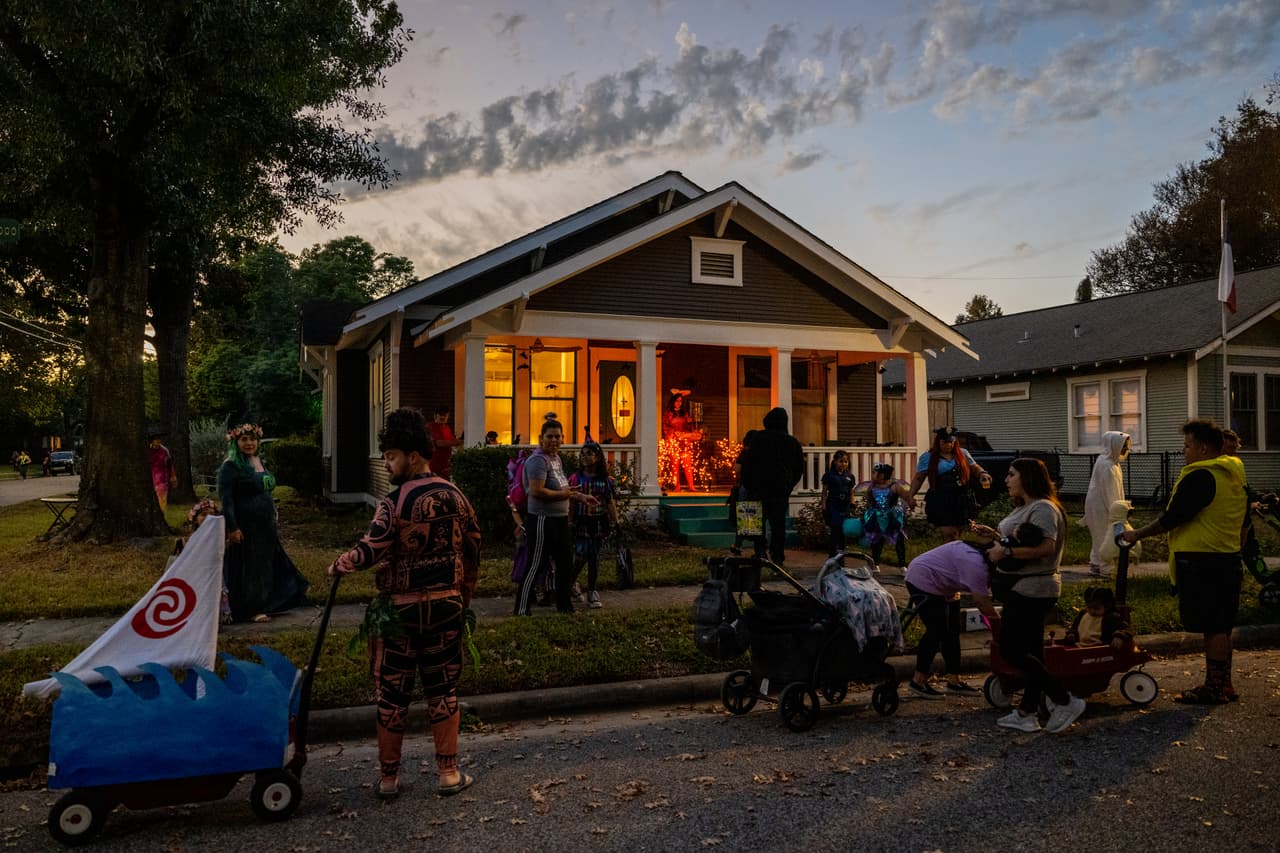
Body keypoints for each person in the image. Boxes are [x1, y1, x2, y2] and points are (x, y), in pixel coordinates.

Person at [329, 407, 481, 800]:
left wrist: (340, 565)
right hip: (447, 607)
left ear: (413, 456)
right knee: (443, 687)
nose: (387, 463)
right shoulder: (457, 496)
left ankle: (389, 778)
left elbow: (371, 549)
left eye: (392, 456)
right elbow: (475, 548)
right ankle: (448, 773)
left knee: (393, 693)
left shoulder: (393, 503)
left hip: (399, 613)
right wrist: (465, 594)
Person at [1121, 419, 1247, 704]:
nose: (1184, 451)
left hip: (1203, 561)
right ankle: (1221, 684)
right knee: (1221, 625)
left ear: (1202, 448)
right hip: (1226, 556)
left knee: (1213, 625)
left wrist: (1136, 534)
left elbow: (1173, 517)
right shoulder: (1232, 474)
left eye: (1187, 445)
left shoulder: (1201, 476)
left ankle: (1215, 688)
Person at [969, 457, 1083, 733]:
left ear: (1028, 477)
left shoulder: (1043, 508)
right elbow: (1023, 541)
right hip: (1021, 587)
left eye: (1011, 475)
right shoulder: (1029, 507)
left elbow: (1045, 548)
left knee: (1011, 649)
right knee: (1033, 653)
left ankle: (1064, 699)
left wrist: (1004, 552)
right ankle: (1027, 713)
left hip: (1032, 589)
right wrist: (997, 536)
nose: (1006, 480)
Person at [218, 422, 309, 623]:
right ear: (236, 442)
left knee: (266, 565)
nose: (249, 443)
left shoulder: (259, 461)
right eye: (244, 439)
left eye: (252, 439)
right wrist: (233, 527)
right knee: (249, 567)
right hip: (245, 526)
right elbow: (227, 501)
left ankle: (268, 602)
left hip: (265, 526)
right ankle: (251, 608)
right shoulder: (230, 466)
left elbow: (266, 491)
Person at [514, 418, 598, 615]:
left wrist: (579, 496)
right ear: (540, 438)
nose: (554, 440)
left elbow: (562, 488)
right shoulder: (537, 461)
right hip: (543, 520)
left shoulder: (556, 459)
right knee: (536, 564)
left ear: (563, 438)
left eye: (557, 436)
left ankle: (564, 607)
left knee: (564, 563)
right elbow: (537, 491)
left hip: (560, 520)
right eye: (549, 436)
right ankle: (521, 609)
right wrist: (567, 494)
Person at [902, 539, 1000, 698]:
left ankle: (954, 681)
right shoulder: (976, 564)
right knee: (937, 630)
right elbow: (982, 603)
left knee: (952, 632)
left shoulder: (981, 555)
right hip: (923, 577)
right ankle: (917, 682)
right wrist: (998, 626)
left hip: (946, 584)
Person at [738, 408, 804, 564]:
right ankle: (778, 555)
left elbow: (748, 462)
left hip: (759, 488)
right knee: (778, 524)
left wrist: (748, 484)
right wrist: (788, 486)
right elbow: (799, 468)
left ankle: (760, 551)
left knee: (757, 521)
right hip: (780, 490)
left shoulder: (758, 439)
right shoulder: (792, 442)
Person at [906, 427, 991, 541]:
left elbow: (974, 468)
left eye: (951, 442)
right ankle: (948, 554)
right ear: (938, 442)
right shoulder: (928, 457)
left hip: (961, 497)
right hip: (942, 498)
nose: (948, 445)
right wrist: (911, 496)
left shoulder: (963, 453)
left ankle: (954, 554)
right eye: (945, 442)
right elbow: (919, 478)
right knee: (948, 532)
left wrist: (982, 473)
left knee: (957, 531)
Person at [569, 441, 618, 609]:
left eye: (589, 454)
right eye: (582, 454)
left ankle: (592, 591)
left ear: (597, 457)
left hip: (598, 521)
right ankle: (570, 581)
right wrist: (569, 521)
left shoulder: (605, 480)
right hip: (581, 521)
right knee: (581, 555)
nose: (585, 457)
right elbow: (572, 502)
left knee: (594, 557)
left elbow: (609, 502)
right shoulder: (576, 478)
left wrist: (615, 522)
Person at [1084, 431, 1131, 577]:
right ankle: (1106, 569)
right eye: (1123, 446)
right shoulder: (1108, 466)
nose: (1125, 450)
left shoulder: (1106, 462)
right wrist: (1120, 511)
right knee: (1106, 537)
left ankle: (1097, 564)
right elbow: (1112, 493)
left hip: (1097, 505)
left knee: (1099, 536)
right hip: (1102, 507)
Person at [859, 462, 912, 567]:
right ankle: (875, 563)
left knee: (898, 539)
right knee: (876, 539)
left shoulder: (894, 486)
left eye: (875, 473)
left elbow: (906, 496)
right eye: (872, 473)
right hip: (877, 516)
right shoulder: (872, 487)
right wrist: (871, 513)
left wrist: (909, 504)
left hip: (892, 516)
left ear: (883, 475)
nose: (873, 475)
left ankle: (902, 565)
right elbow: (870, 501)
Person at [1064, 587, 1131, 649]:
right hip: (1079, 647)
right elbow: (1074, 627)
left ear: (1107, 606)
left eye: (1097, 608)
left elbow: (1125, 628)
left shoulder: (1110, 617)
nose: (1092, 611)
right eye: (1089, 607)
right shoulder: (1083, 614)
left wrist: (1119, 636)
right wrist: (1072, 634)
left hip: (1101, 649)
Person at [662, 390, 702, 492]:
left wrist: (694, 431)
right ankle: (676, 486)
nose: (679, 403)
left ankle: (691, 485)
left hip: (684, 440)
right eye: (677, 401)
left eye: (680, 401)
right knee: (674, 465)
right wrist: (673, 434)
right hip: (673, 441)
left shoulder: (685, 414)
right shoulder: (668, 413)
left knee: (687, 464)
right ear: (673, 402)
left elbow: (689, 426)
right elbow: (665, 427)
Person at [819, 451, 856, 559]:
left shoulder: (849, 476)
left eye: (845, 462)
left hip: (845, 506)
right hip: (833, 506)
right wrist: (824, 507)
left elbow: (851, 491)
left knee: (843, 532)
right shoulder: (829, 475)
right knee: (835, 531)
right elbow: (824, 492)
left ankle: (841, 557)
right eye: (840, 461)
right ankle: (831, 556)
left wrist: (852, 503)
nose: (843, 464)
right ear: (835, 461)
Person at [427, 406, 464, 480]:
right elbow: (439, 443)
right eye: (441, 414)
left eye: (445, 415)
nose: (443, 417)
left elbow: (451, 440)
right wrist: (459, 442)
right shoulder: (431, 426)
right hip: (434, 465)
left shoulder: (446, 427)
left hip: (445, 466)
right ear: (435, 415)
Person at [148, 430, 178, 510]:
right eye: (156, 439)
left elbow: (170, 464)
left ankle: (161, 514)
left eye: (159, 439)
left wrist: (173, 477)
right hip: (150, 480)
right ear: (151, 440)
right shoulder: (147, 450)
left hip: (162, 481)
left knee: (161, 501)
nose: (158, 440)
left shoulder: (165, 451)